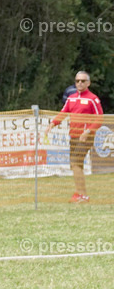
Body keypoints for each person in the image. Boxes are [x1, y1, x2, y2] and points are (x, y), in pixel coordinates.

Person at [48, 71, 103, 203]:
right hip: (73, 136)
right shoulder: (71, 98)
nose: (79, 83)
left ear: (88, 83)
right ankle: (80, 193)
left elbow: (99, 118)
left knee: (75, 163)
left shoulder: (93, 99)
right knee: (75, 165)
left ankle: (82, 195)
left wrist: (88, 132)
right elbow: (63, 112)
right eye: (77, 81)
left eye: (83, 81)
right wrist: (53, 123)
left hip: (85, 137)